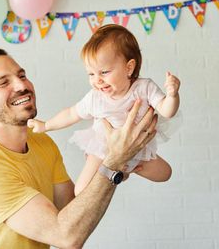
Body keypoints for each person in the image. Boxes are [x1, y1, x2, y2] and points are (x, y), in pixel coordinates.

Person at [0, 48, 158, 249]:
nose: (21, 85)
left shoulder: (42, 143)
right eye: (3, 83)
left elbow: (73, 212)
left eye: (22, 75)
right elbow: (66, 236)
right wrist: (114, 162)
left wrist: (113, 157)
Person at [28, 24, 180, 195]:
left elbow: (167, 110)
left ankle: (128, 169)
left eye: (104, 72)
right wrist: (46, 125)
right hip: (103, 148)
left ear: (129, 68)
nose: (97, 80)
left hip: (137, 146)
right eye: (91, 74)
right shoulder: (95, 98)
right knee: (81, 191)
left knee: (165, 173)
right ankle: (115, 171)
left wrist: (172, 95)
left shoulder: (144, 88)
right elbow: (72, 113)